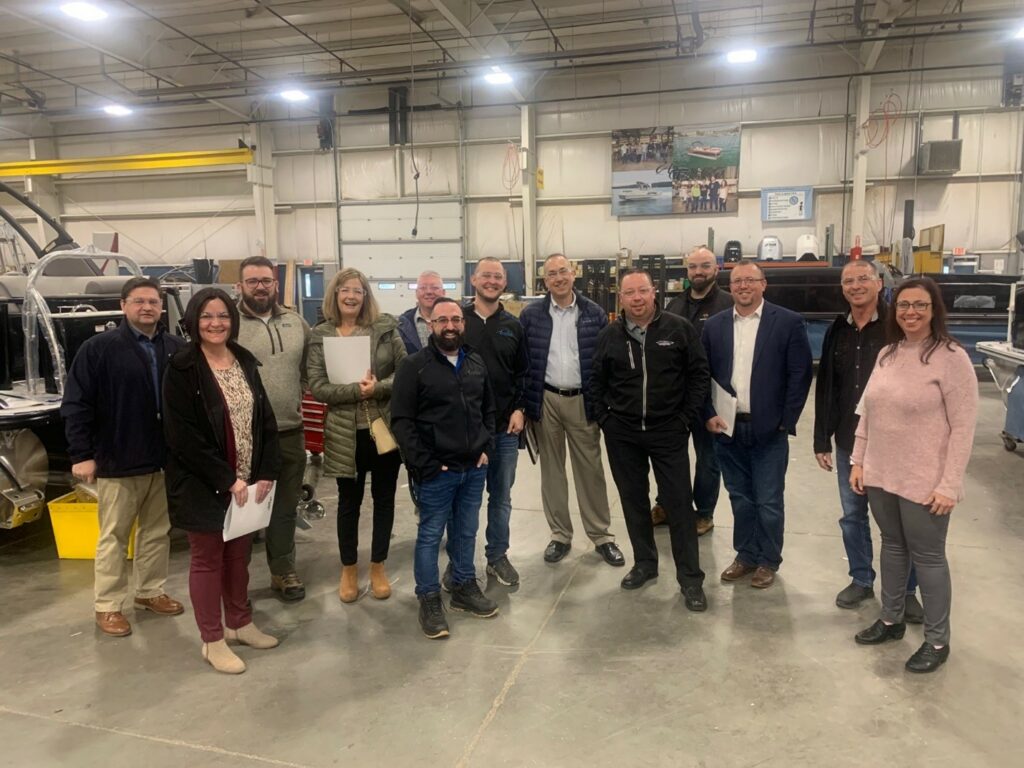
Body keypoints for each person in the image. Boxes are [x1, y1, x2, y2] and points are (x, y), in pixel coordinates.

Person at [850, 277, 978, 673]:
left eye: (920, 305)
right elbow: (867, 412)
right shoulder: (888, 353)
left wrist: (950, 483)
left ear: (933, 310)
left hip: (925, 480)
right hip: (881, 473)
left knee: (928, 558)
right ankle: (891, 619)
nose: (910, 312)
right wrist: (858, 460)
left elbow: (964, 428)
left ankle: (937, 641)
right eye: (904, 305)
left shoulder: (952, 357)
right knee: (892, 546)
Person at [163, 288, 281, 674]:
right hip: (205, 483)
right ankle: (212, 640)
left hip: (246, 482)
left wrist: (265, 470)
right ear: (195, 321)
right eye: (207, 316)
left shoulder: (244, 360)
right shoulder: (182, 367)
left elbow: (263, 420)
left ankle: (240, 624)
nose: (216, 324)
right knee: (208, 560)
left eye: (223, 316)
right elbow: (183, 436)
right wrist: (226, 478)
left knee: (238, 558)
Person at [62, 276, 187, 638]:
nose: (147, 307)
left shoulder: (176, 348)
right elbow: (76, 403)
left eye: (153, 301)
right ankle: (108, 605)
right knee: (113, 537)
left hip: (163, 460)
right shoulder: (98, 348)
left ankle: (150, 592)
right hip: (117, 459)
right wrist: (81, 454)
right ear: (123, 305)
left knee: (157, 532)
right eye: (139, 301)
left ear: (161, 306)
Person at [591, 270, 710, 612]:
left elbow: (699, 374)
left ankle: (690, 579)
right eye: (630, 293)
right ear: (621, 298)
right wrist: (606, 420)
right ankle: (645, 563)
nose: (637, 298)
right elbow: (596, 380)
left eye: (643, 291)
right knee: (633, 500)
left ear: (653, 292)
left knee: (678, 505)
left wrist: (685, 418)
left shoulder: (678, 329)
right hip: (623, 433)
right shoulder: (609, 335)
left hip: (668, 430)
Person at [813, 260, 923, 619]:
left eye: (863, 279)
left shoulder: (898, 326)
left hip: (896, 444)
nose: (856, 285)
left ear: (878, 283)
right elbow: (827, 383)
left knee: (902, 523)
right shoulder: (837, 330)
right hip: (849, 442)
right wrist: (820, 438)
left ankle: (906, 591)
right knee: (853, 516)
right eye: (849, 281)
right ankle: (861, 579)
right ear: (842, 288)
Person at [391, 297, 499, 639]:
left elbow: (488, 409)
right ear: (431, 325)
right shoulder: (414, 366)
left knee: (466, 531)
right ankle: (429, 596)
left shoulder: (475, 361)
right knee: (429, 536)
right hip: (437, 472)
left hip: (473, 468)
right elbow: (402, 421)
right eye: (442, 320)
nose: (449, 326)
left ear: (463, 324)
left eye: (455, 319)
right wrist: (426, 465)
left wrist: (486, 446)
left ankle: (464, 584)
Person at [702, 260, 812, 589]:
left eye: (751, 280)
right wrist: (708, 413)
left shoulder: (787, 322)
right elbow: (701, 375)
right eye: (737, 281)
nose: (744, 286)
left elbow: (800, 374)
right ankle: (746, 554)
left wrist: (785, 421)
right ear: (730, 287)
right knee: (740, 497)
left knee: (768, 500)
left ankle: (768, 560)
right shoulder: (715, 326)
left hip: (769, 430)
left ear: (763, 284)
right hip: (728, 428)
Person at [307, 269, 406, 603]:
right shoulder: (320, 334)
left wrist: (378, 387)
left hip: (382, 430)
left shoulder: (385, 327)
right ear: (335, 295)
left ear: (366, 296)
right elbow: (317, 385)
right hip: (343, 433)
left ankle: (378, 565)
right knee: (348, 503)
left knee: (384, 498)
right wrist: (356, 391)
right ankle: (349, 567)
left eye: (358, 291)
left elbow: (404, 372)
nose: (351, 296)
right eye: (345, 290)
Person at [519, 254, 624, 567]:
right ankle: (560, 536)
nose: (558, 277)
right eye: (551, 273)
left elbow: (604, 362)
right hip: (546, 398)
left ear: (573, 274)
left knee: (590, 470)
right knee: (552, 470)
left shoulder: (593, 313)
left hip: (582, 399)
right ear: (545, 280)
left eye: (563, 271)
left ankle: (601, 536)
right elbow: (524, 362)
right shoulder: (531, 315)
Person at [235, 256, 311, 603]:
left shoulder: (296, 323)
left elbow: (311, 370)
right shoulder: (228, 323)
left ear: (276, 284)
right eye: (252, 281)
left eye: (266, 280)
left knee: (284, 508)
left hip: (290, 431)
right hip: (244, 437)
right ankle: (236, 583)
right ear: (241, 286)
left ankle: (282, 572)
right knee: (243, 512)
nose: (260, 286)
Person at [456, 258, 529, 588]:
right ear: (474, 279)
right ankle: (459, 562)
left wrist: (520, 409)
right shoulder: (457, 321)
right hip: (465, 432)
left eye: (497, 277)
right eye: (485, 275)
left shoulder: (512, 325)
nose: (491, 281)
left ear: (504, 283)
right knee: (464, 501)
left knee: (500, 497)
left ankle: (497, 556)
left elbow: (523, 373)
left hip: (504, 429)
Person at [659, 246, 734, 535]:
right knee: (669, 456)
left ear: (716, 268)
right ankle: (667, 504)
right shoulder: (675, 305)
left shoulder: (728, 305)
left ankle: (703, 513)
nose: (698, 272)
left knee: (708, 458)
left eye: (705, 266)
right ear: (687, 270)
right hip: (676, 397)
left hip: (712, 398)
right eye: (693, 267)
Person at [398, 270, 445, 354]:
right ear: (416, 293)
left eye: (435, 288)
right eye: (423, 288)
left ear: (443, 292)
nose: (429, 292)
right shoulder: (402, 325)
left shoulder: (458, 321)